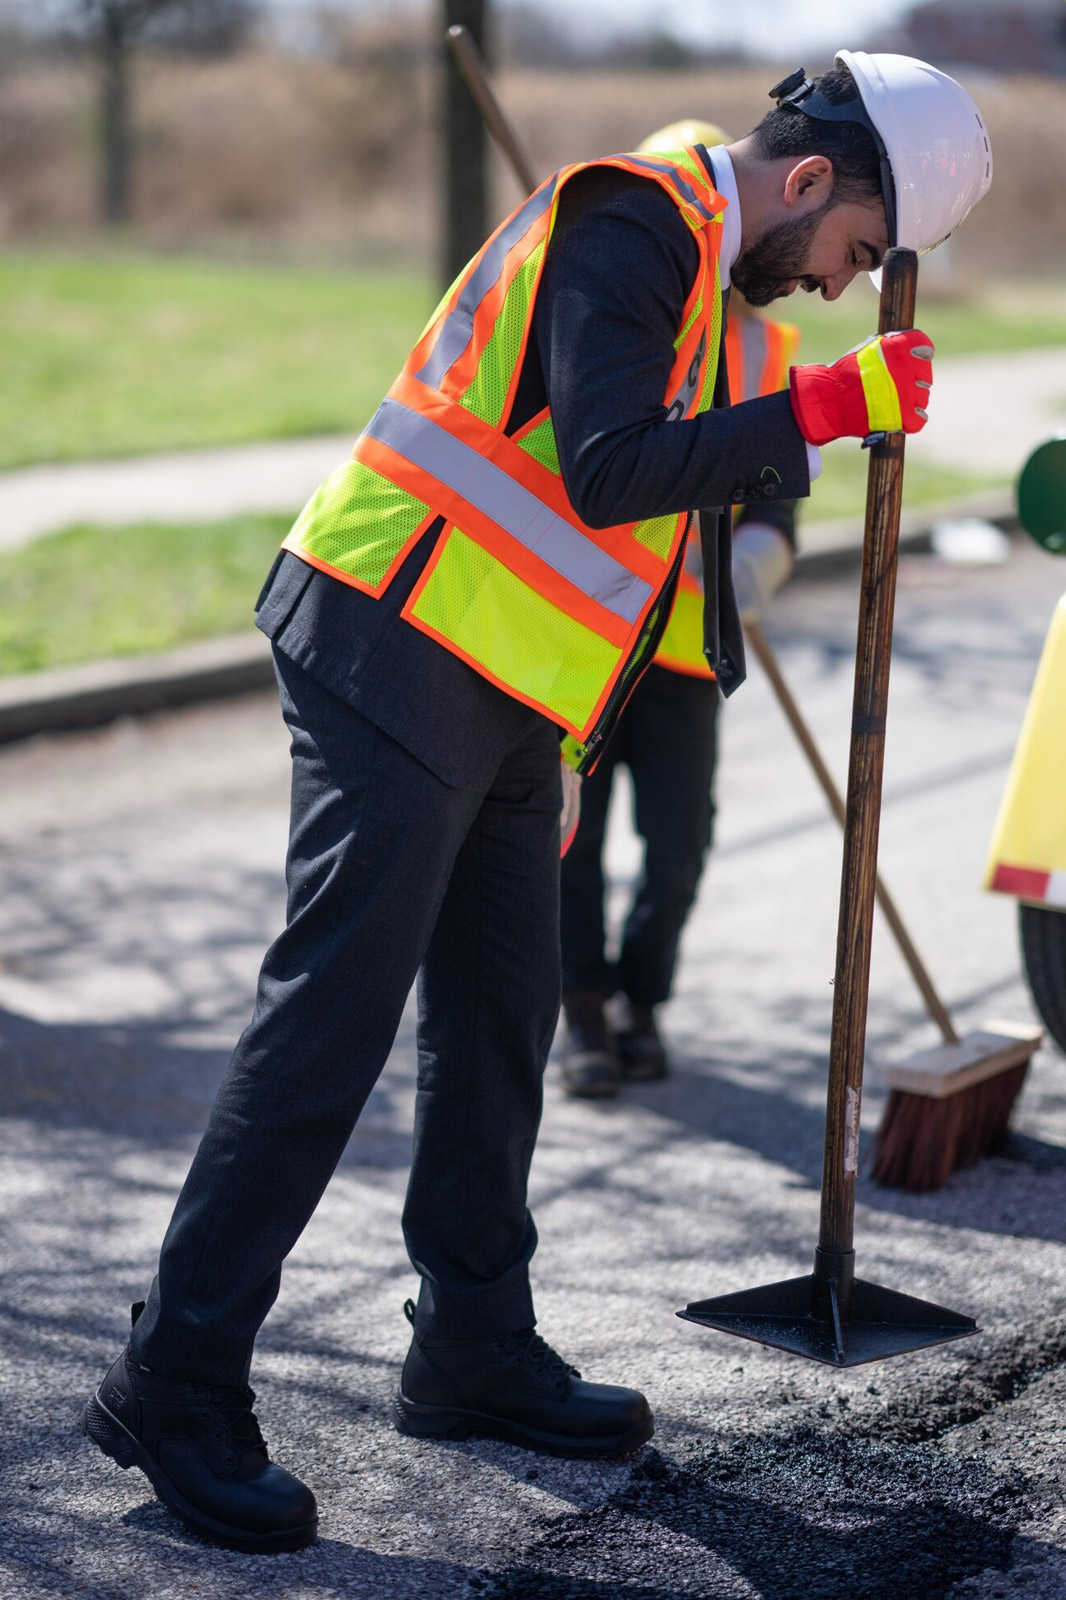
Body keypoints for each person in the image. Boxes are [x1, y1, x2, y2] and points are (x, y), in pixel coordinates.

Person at [80, 51, 990, 1553]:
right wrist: (824, 410)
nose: (840, 288)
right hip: (392, 631)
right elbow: (609, 471)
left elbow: (623, 566)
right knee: (330, 1023)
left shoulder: (713, 299)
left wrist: (564, 738)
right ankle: (169, 1377)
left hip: (507, 693)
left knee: (503, 1018)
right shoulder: (626, 222)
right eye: (851, 256)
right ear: (816, 179)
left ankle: (471, 1346)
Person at [558, 120, 801, 1098]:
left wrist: (746, 575)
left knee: (680, 843)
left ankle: (641, 996)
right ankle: (581, 1009)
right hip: (587, 637)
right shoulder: (624, 306)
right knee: (569, 840)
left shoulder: (766, 350)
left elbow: (779, 512)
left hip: (689, 649)